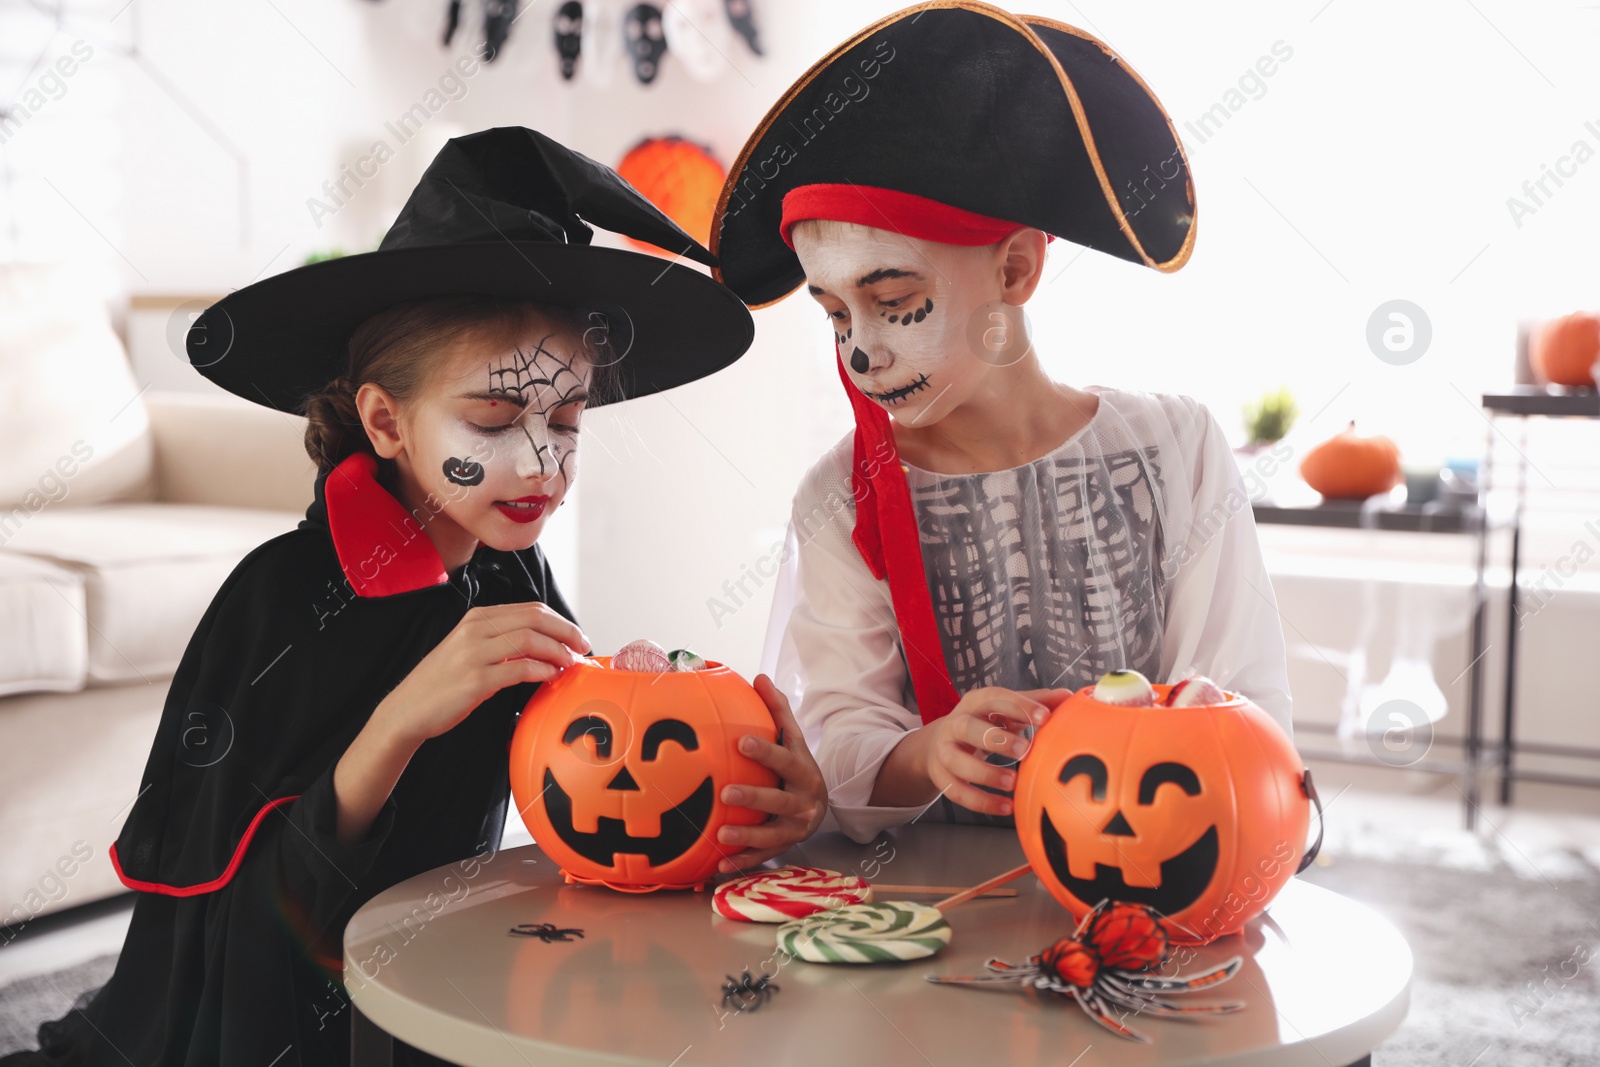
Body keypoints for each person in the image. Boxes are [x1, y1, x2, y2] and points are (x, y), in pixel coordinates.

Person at [4, 127, 827, 1067]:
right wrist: (402, 717)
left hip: (431, 976)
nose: (542, 464)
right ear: (385, 420)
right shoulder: (274, 599)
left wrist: (748, 785)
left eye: (565, 420)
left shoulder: (510, 566)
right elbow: (236, 919)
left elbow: (598, 782)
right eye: (491, 419)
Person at [711, 3, 1295, 843]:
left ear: (1016, 267)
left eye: (896, 303)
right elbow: (839, 736)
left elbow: (1243, 705)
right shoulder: (837, 501)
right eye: (837, 316)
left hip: (1153, 872)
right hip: (929, 913)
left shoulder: (1177, 450)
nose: (862, 354)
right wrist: (929, 752)